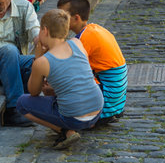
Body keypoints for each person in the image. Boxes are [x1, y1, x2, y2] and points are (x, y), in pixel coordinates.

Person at [16, 9, 103, 149]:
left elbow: (33, 92)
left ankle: (65, 131)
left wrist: (37, 58)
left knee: (21, 103)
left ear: (45, 30)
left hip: (74, 117)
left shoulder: (42, 62)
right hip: (97, 110)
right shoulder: (77, 43)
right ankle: (83, 123)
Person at [57, 0, 128, 126]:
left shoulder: (83, 40)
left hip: (107, 100)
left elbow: (69, 69)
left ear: (76, 18)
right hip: (115, 101)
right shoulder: (95, 29)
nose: (58, 19)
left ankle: (88, 117)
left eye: (62, 16)